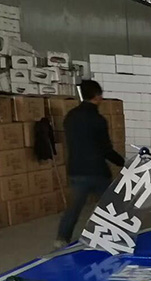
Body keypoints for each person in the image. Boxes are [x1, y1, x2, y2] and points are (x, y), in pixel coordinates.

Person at [54, 80, 126, 248]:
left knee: (74, 208)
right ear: (97, 96)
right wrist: (122, 162)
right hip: (96, 171)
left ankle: (61, 238)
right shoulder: (98, 120)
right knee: (112, 205)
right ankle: (117, 236)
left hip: (76, 169)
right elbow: (106, 149)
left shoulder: (70, 117)